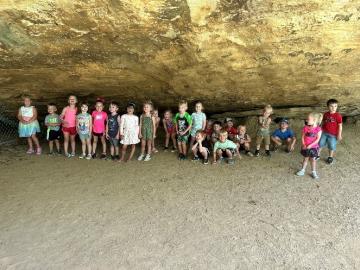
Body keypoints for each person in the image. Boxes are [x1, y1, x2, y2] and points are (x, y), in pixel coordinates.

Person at [296, 113, 323, 179]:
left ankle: (313, 172)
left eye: (308, 119)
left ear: (314, 120)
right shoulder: (305, 128)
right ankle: (302, 170)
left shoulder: (318, 129)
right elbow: (302, 137)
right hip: (306, 147)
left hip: (313, 147)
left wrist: (310, 145)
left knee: (313, 160)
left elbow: (317, 140)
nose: (306, 120)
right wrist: (303, 144)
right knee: (305, 159)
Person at [318, 99, 343, 164]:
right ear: (328, 106)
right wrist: (319, 129)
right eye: (331, 106)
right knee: (320, 143)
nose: (333, 108)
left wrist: (339, 134)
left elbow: (340, 126)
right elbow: (323, 122)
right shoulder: (326, 114)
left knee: (331, 145)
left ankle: (330, 157)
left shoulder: (338, 116)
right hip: (324, 132)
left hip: (333, 134)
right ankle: (317, 154)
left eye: (335, 106)